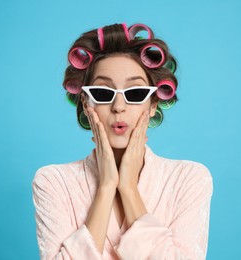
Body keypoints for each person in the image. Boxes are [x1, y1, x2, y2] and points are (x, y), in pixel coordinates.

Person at [32, 23, 213, 260]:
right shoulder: (53, 182)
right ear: (86, 104)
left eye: (135, 93)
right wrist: (106, 187)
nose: (119, 108)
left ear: (153, 105)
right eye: (103, 93)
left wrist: (128, 188)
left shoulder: (189, 179)